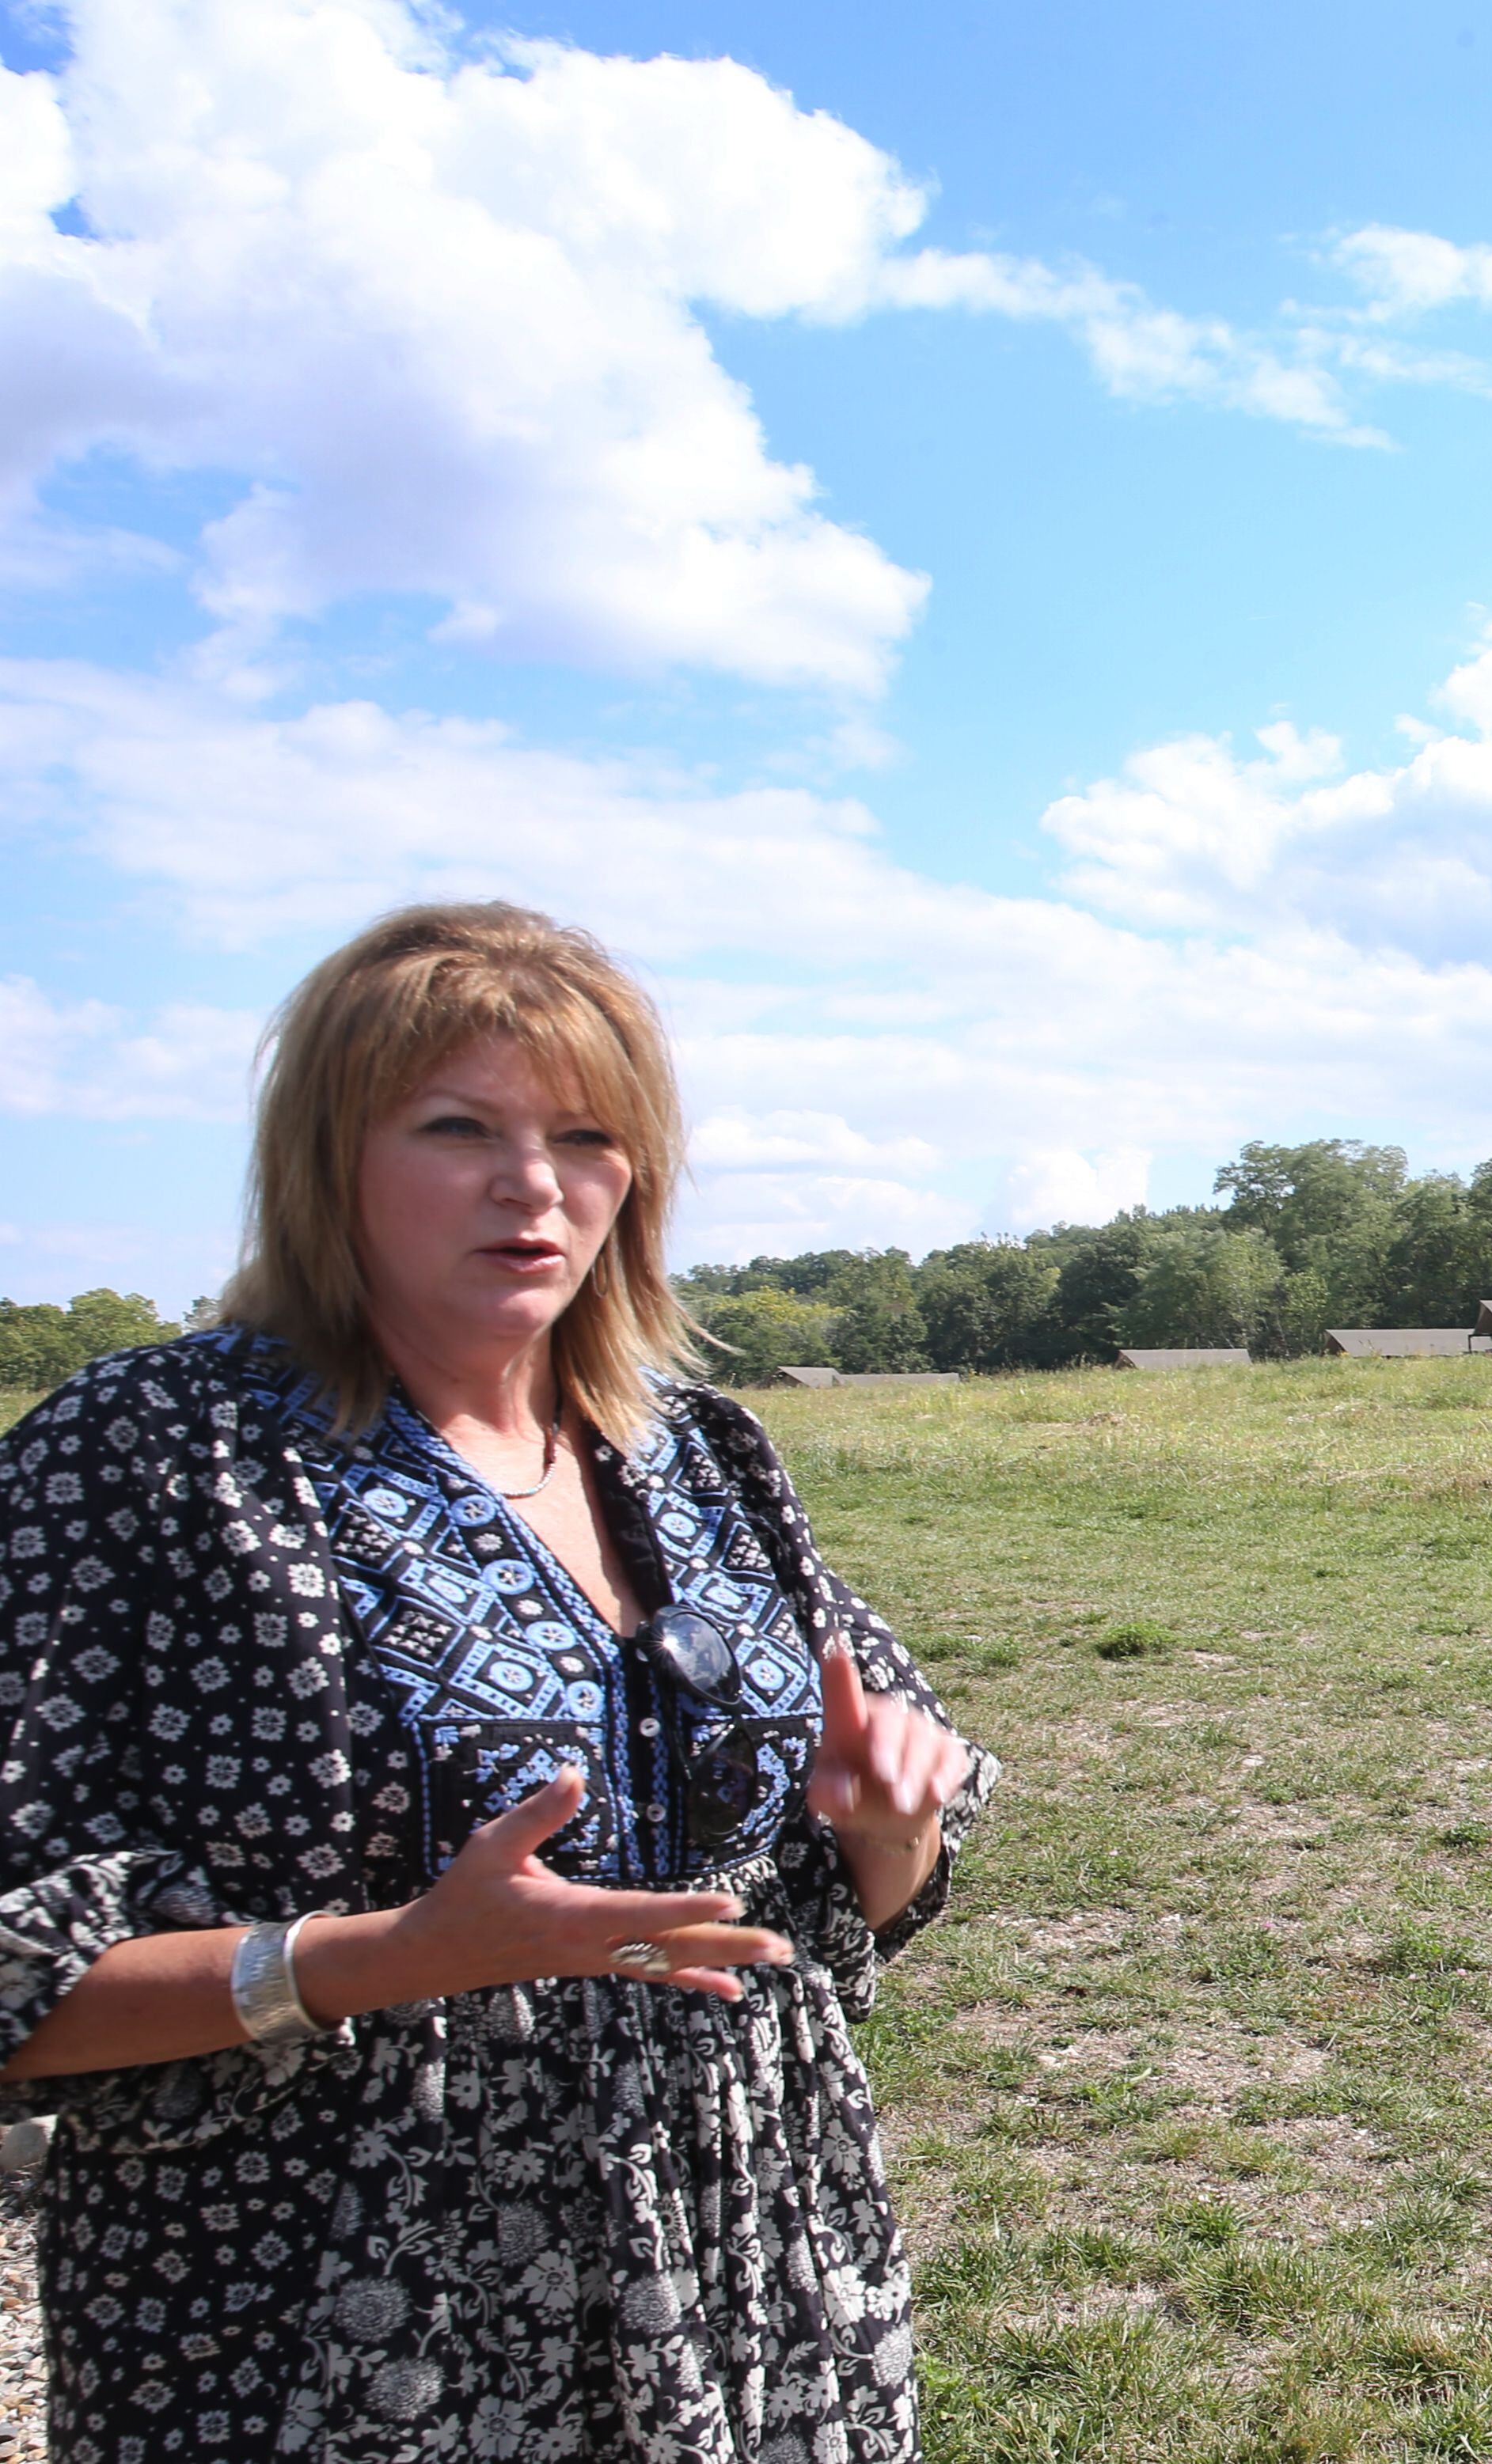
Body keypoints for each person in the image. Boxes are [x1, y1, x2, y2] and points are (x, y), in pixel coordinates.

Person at [0, 904, 998, 2462]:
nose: (533, 1185)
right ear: (332, 1159)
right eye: (458, 1126)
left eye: (588, 1138)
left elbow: (868, 1879)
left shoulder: (695, 1450)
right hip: (332, 2299)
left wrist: (888, 1823)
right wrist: (388, 1955)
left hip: (744, 2253)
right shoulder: (149, 1458)